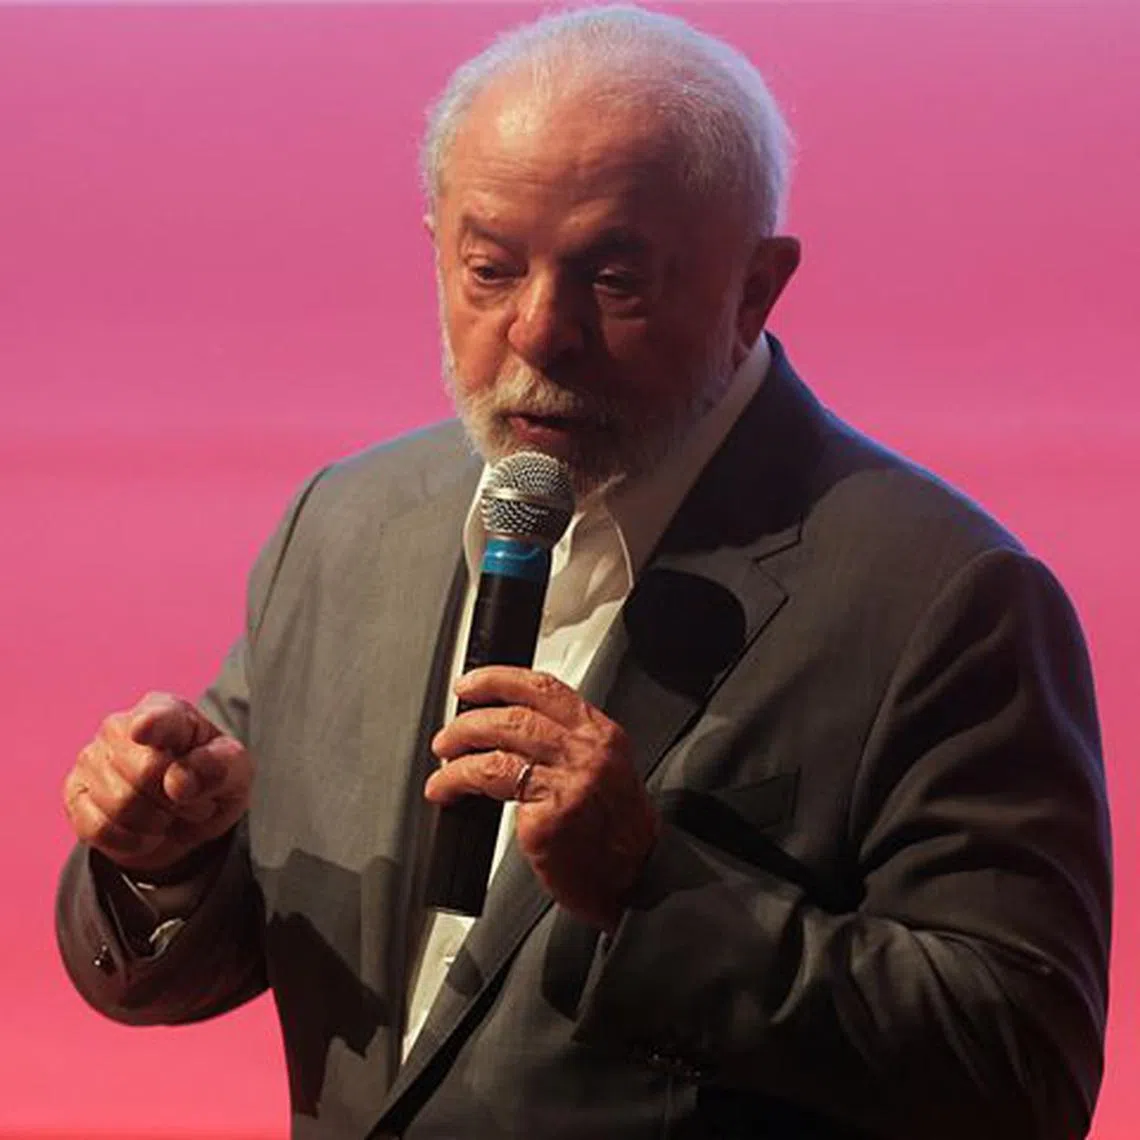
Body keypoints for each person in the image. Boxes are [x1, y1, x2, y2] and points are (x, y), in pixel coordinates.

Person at [56, 7, 1112, 1139]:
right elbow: (202, 953)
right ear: (436, 248)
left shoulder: (945, 597)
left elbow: (1022, 1069)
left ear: (757, 287)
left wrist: (652, 892)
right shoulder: (346, 527)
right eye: (489, 270)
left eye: (613, 279)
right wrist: (163, 857)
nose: (537, 332)